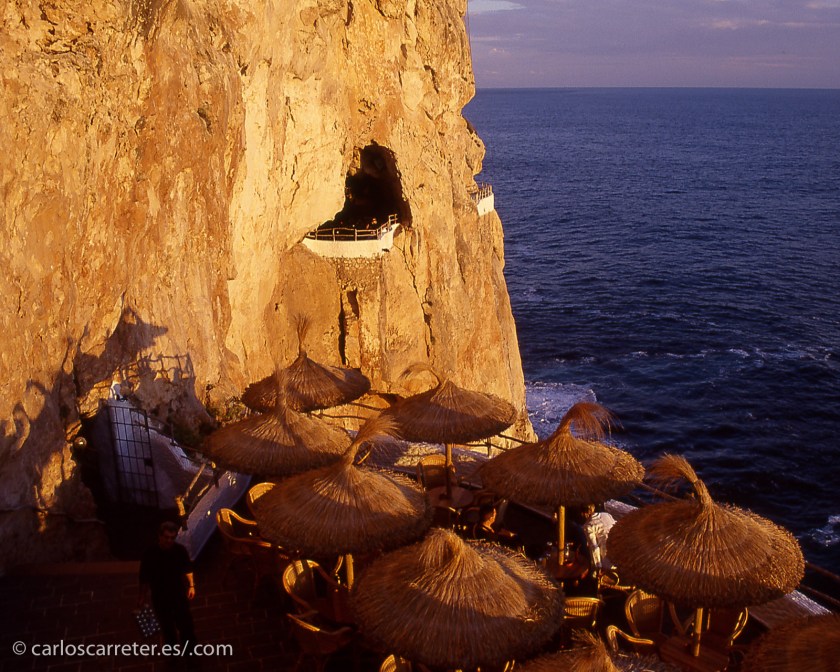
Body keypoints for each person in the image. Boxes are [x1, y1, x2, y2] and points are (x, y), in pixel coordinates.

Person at [139, 521, 196, 650]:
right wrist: (142, 597)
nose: (169, 541)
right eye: (166, 537)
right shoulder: (150, 553)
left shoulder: (180, 551)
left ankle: (190, 651)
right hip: (160, 596)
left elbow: (188, 569)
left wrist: (192, 585)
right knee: (167, 626)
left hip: (178, 594)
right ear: (160, 536)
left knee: (186, 624)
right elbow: (143, 577)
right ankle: (172, 652)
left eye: (172, 538)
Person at [580, 504, 617, 574]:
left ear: (584, 513)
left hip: (609, 563)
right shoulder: (607, 515)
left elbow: (594, 547)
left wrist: (597, 568)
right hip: (622, 555)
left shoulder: (588, 526)